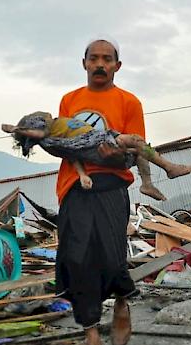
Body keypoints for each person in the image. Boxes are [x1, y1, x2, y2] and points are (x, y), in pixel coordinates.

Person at [53, 36, 144, 345]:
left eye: (107, 59)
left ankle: (121, 303)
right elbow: (64, 143)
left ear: (117, 66)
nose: (100, 64)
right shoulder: (69, 100)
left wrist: (116, 157)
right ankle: (90, 331)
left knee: (112, 255)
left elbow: (136, 151)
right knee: (77, 258)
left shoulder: (129, 102)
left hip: (112, 185)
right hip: (75, 185)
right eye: (94, 59)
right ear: (84, 64)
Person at [1, 111, 191, 201]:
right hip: (94, 142)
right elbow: (71, 154)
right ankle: (170, 168)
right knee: (136, 141)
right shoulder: (48, 138)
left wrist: (82, 175)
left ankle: (147, 184)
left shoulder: (56, 130)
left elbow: (70, 155)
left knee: (139, 149)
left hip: (99, 137)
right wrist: (16, 129)